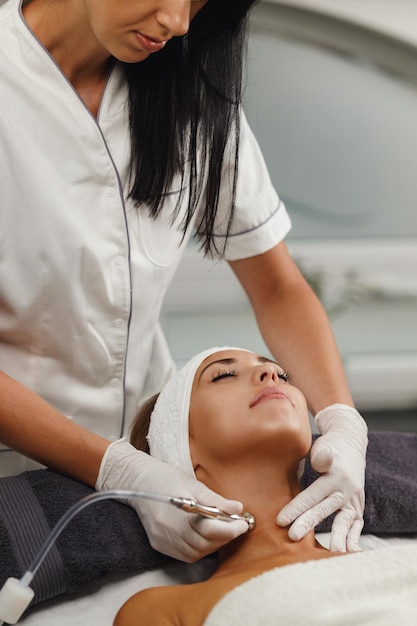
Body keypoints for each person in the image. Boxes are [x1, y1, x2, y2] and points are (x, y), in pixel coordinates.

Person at [0, 0, 367, 562]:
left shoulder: (188, 91)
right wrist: (118, 468)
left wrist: (342, 423)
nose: (178, 22)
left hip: (157, 485)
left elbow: (277, 287)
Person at [114, 347, 417, 626]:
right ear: (180, 446)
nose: (271, 374)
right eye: (224, 375)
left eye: (282, 375)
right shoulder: (161, 610)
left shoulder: (398, 556)